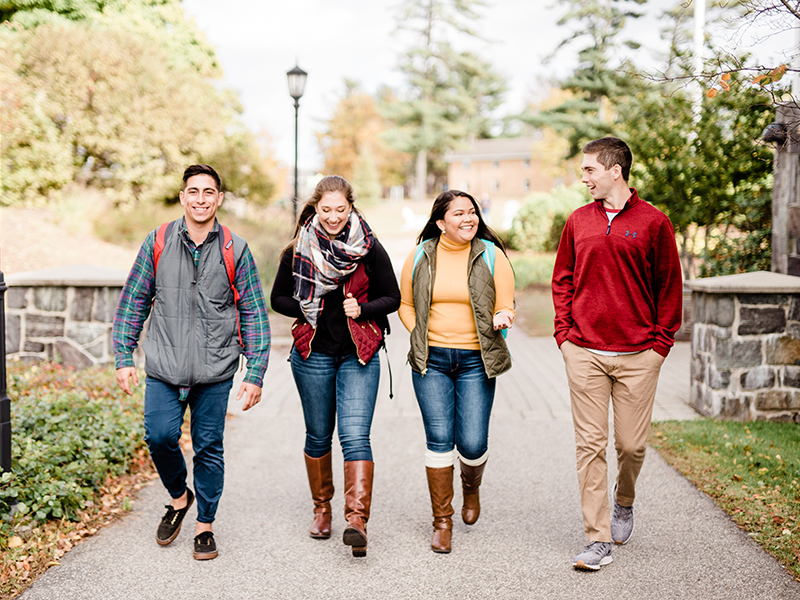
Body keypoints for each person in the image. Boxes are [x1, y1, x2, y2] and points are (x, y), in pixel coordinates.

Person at [113, 164, 270, 561]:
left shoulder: (236, 249)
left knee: (208, 447)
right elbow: (134, 299)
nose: (201, 199)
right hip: (164, 365)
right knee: (160, 437)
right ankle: (180, 497)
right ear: (183, 197)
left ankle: (205, 525)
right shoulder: (158, 241)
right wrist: (123, 355)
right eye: (193, 191)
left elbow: (253, 312)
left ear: (219, 198)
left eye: (209, 192)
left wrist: (255, 372)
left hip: (215, 369)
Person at [552, 137, 682, 570]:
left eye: (590, 169)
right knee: (590, 446)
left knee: (631, 445)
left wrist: (660, 345)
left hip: (637, 353)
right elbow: (563, 280)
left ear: (615, 171)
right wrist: (565, 337)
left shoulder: (653, 223)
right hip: (584, 351)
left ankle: (623, 499)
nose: (583, 177)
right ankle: (597, 538)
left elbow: (669, 286)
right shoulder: (578, 221)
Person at [270, 175, 400, 558]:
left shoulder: (369, 247)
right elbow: (278, 298)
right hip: (313, 354)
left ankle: (356, 519)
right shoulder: (298, 249)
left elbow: (391, 296)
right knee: (318, 434)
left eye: (340, 210)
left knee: (356, 436)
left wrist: (363, 308)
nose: (333, 217)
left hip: (359, 353)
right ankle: (322, 509)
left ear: (351, 207)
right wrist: (312, 305)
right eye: (325, 210)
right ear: (315, 208)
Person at [399, 190, 515, 554]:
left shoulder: (491, 255)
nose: (469, 219)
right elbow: (405, 304)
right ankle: (442, 521)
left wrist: (503, 317)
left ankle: (471, 487)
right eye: (459, 214)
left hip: (476, 361)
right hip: (431, 360)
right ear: (440, 223)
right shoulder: (421, 255)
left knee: (473, 442)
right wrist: (420, 335)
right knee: (438, 439)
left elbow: (505, 303)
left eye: (472, 212)